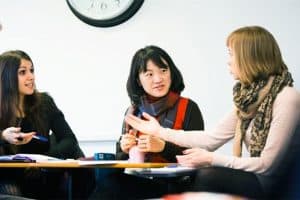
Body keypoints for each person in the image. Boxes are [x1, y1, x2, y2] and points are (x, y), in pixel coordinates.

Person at [125, 26, 300, 199]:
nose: (228, 61)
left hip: (276, 185)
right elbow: (211, 139)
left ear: (249, 57)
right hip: (256, 179)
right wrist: (159, 131)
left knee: (205, 176)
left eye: (231, 54)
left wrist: (211, 159)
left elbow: (266, 165)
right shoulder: (248, 100)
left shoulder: (287, 97)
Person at [90, 45, 204, 199]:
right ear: (138, 80)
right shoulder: (133, 111)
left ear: (172, 72)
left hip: (176, 184)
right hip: (139, 180)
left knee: (111, 186)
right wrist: (124, 148)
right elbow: (123, 158)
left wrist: (162, 147)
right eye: (149, 74)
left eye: (163, 71)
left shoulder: (188, 107)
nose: (158, 79)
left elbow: (199, 156)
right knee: (102, 181)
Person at [0, 50, 95, 199]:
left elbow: (69, 140)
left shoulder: (44, 103)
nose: (31, 76)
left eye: (31, 70)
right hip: (8, 179)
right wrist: (3, 136)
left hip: (42, 177)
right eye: (22, 72)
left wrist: (41, 161)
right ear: (6, 78)